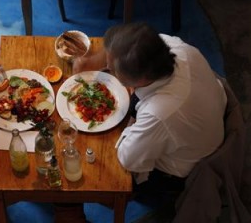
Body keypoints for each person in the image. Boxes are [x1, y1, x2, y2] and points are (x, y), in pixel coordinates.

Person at [73, 22, 227, 217]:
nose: (107, 68)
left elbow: (128, 159)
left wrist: (129, 125)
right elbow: (121, 44)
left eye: (112, 70)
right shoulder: (169, 44)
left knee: (97, 166)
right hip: (205, 113)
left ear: (140, 80)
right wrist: (95, 61)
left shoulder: (160, 114)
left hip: (187, 168)